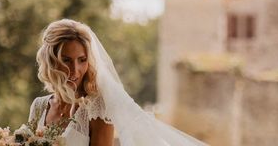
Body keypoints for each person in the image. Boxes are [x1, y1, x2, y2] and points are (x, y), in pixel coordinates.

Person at [29, 19, 208, 146]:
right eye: (66, 60)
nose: (75, 70)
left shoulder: (97, 108)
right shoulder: (39, 107)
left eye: (82, 60)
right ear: (51, 61)